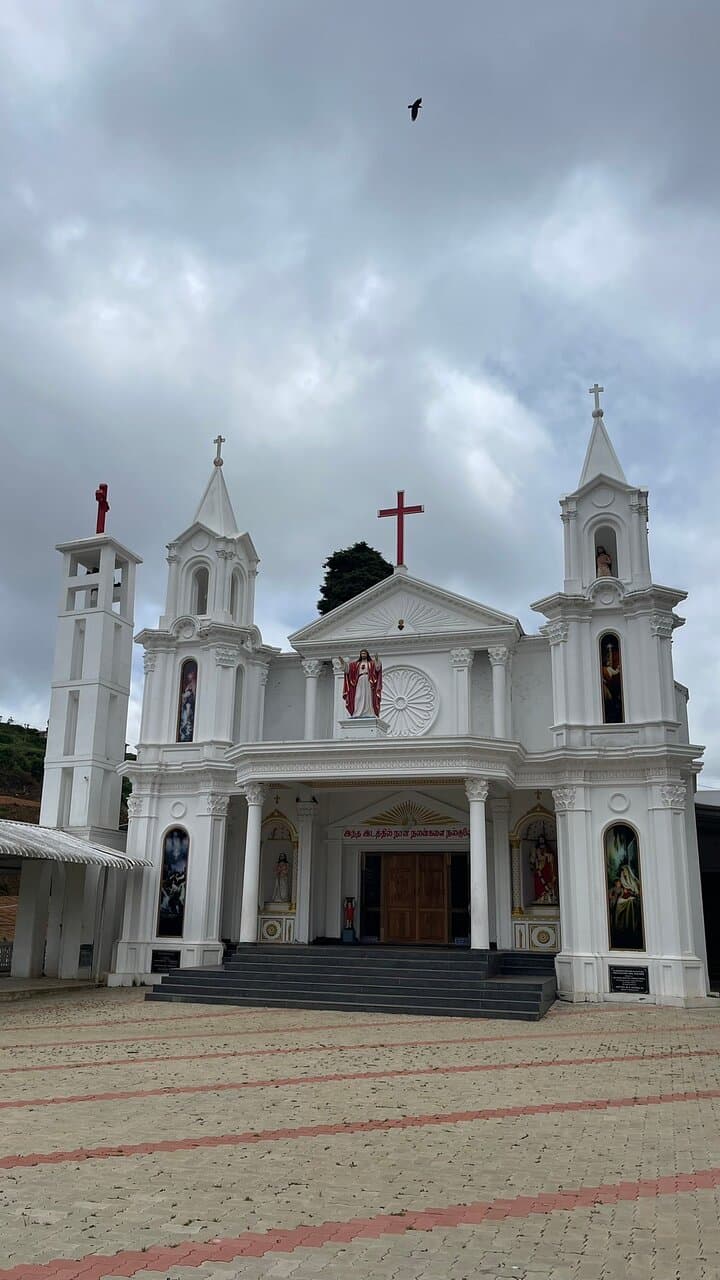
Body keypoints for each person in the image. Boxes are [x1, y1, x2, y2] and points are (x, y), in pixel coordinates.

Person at [341, 649, 382, 718]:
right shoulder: (356, 664)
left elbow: (377, 669)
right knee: (358, 696)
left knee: (368, 696)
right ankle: (357, 712)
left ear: (367, 654)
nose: (363, 655)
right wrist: (343, 663)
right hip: (360, 680)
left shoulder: (371, 663)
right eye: (362, 654)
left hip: (368, 680)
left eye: (364, 653)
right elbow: (348, 670)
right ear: (360, 655)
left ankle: (369, 712)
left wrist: (377, 660)